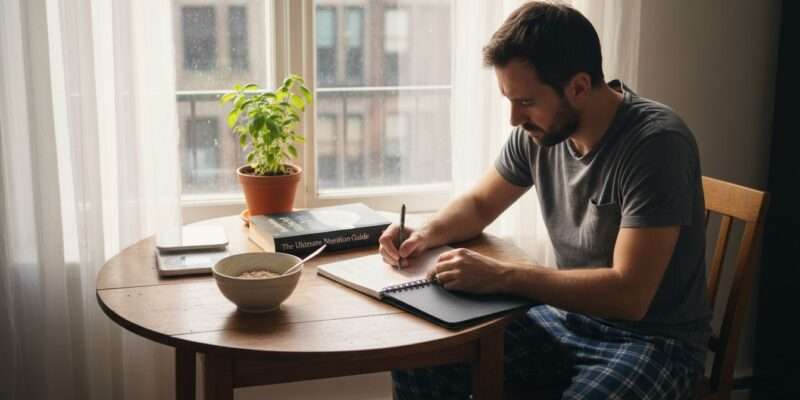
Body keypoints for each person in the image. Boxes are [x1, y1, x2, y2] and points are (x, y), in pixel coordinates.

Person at [379, 2, 710, 399]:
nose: (514, 119)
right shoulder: (541, 132)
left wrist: (502, 277)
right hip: (564, 321)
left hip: (652, 343)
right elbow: (481, 205)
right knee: (422, 356)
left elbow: (630, 294)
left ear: (579, 87)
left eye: (526, 102)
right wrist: (425, 234)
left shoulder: (655, 145)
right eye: (509, 100)